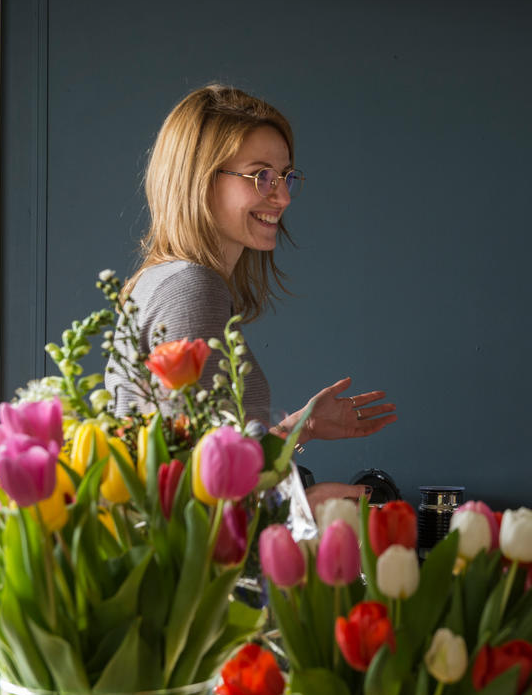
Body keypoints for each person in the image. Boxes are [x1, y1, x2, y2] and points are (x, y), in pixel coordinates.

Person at [105, 84, 396, 502]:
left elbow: (205, 458)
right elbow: (194, 499)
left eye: (285, 176)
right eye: (261, 176)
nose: (281, 196)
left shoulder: (165, 278)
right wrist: (304, 506)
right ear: (200, 180)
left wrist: (299, 429)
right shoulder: (193, 288)